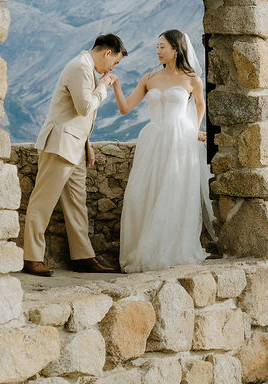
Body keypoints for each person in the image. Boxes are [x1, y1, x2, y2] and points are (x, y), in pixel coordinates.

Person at [20, 33, 124, 276]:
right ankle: (32, 258)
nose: (112, 68)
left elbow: (77, 115)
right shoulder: (80, 67)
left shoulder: (86, 67)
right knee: (42, 202)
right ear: (107, 53)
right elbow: (84, 106)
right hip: (60, 144)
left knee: (77, 203)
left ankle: (83, 257)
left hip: (75, 146)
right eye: (115, 62)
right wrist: (103, 87)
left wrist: (86, 144)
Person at [112, 28, 215, 272]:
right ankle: (142, 249)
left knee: (174, 194)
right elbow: (126, 108)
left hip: (180, 142)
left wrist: (192, 130)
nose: (157, 51)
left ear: (175, 50)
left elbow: (201, 105)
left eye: (162, 47)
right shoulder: (150, 78)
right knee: (142, 194)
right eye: (157, 47)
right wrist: (115, 85)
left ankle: (168, 249)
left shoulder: (192, 80)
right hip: (153, 140)